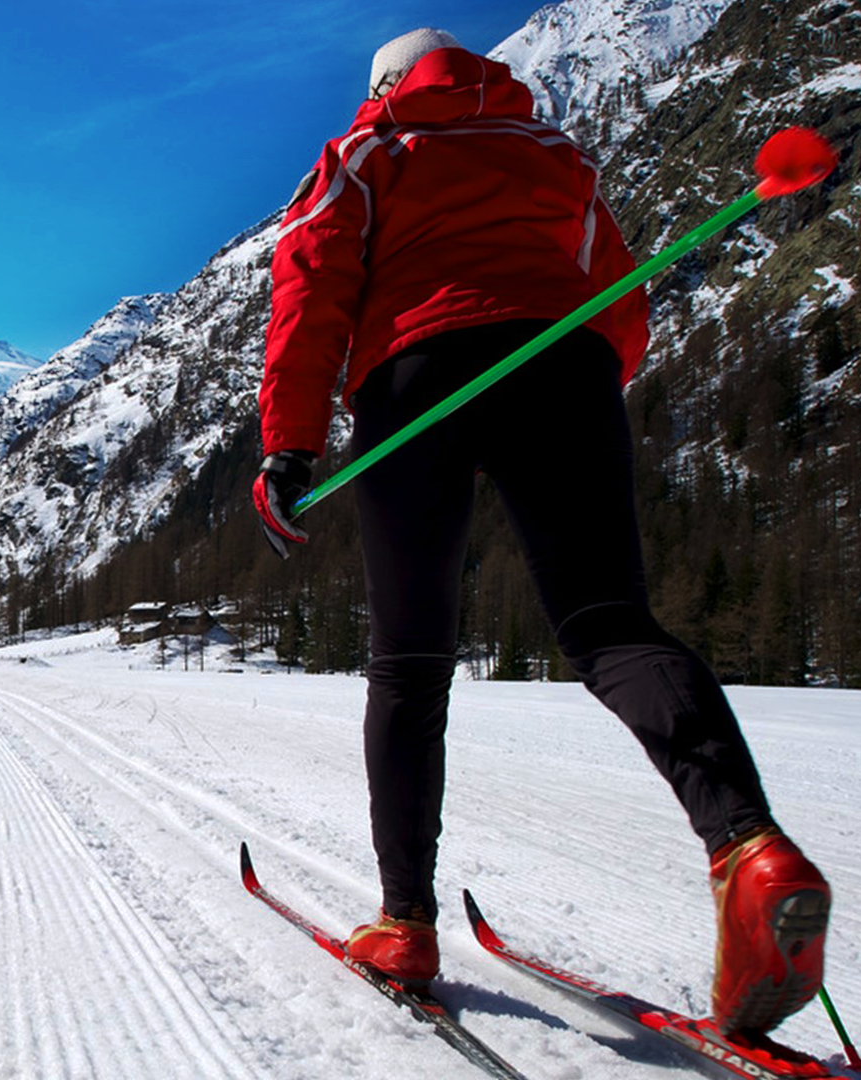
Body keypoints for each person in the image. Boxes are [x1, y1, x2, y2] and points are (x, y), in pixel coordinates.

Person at [250, 28, 830, 1038]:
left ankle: (406, 923)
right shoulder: (555, 155)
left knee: (412, 662)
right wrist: (580, 400)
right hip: (565, 369)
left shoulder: (366, 154)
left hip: (414, 381)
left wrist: (289, 450)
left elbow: (309, 285)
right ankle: (750, 845)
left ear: (383, 87)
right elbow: (622, 299)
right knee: (610, 623)